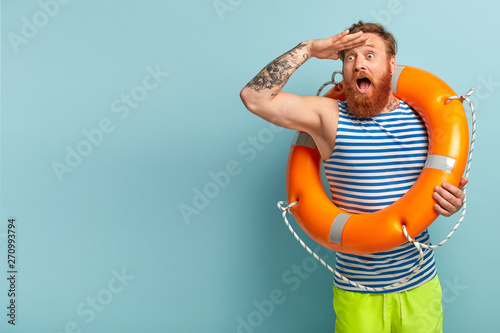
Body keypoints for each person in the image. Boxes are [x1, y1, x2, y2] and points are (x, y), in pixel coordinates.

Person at [240, 21, 468, 332]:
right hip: (356, 292)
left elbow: (438, 186)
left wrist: (450, 202)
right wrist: (307, 49)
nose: (358, 62)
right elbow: (255, 98)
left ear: (391, 64)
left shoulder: (425, 120)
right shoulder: (327, 118)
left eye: (370, 55)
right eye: (349, 57)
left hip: (420, 285)